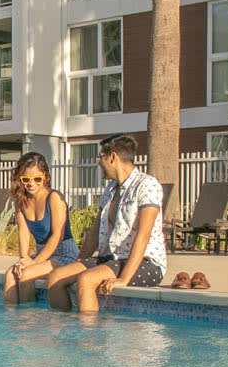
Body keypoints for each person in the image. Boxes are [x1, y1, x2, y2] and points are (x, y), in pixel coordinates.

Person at [46, 134, 179, 314]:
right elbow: (95, 231)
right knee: (56, 277)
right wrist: (80, 260)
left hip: (146, 264)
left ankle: (88, 338)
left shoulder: (147, 185)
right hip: (110, 259)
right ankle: (62, 333)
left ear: (112, 157)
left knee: (86, 280)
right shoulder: (111, 188)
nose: (99, 162)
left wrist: (124, 278)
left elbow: (143, 235)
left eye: (100, 157)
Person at [1, 152, 77, 305]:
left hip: (65, 254)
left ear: (45, 177)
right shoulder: (21, 202)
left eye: (37, 179)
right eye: (26, 179)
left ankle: (29, 320)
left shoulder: (54, 198)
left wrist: (33, 263)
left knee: (27, 274)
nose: (31, 183)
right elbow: (23, 232)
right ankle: (11, 318)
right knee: (11, 274)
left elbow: (57, 236)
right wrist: (23, 260)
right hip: (43, 254)